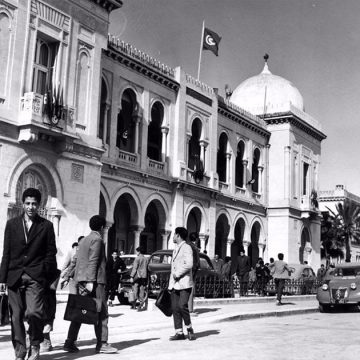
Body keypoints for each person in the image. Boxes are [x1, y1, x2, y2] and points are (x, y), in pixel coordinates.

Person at [0, 187, 57, 360]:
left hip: (35, 277)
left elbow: (50, 253)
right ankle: (20, 352)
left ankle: (35, 344)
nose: (30, 207)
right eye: (27, 203)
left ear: (39, 205)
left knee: (34, 313)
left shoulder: (46, 226)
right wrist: (2, 278)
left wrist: (44, 274)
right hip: (14, 276)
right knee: (15, 316)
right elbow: (6, 253)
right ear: (22, 204)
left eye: (34, 204)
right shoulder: (12, 224)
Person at [63, 215, 118, 354]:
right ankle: (102, 343)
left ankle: (70, 341)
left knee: (80, 311)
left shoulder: (83, 241)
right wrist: (90, 281)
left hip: (82, 280)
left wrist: (68, 275)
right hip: (95, 281)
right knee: (102, 312)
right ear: (101, 227)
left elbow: (76, 261)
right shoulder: (97, 239)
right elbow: (93, 261)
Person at [168, 227, 195, 341]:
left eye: (174, 234)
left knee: (182, 305)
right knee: (175, 307)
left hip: (184, 283)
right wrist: (170, 284)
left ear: (178, 236)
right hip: (175, 284)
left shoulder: (187, 248)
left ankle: (189, 328)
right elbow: (173, 268)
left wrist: (177, 274)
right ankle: (179, 332)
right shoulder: (176, 249)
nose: (173, 236)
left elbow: (189, 264)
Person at [129, 246, 148, 311]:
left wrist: (131, 276)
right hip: (144, 277)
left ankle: (134, 305)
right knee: (141, 289)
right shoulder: (146, 259)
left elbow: (134, 268)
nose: (136, 252)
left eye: (137, 251)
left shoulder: (137, 259)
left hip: (137, 276)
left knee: (135, 289)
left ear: (139, 252)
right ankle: (141, 303)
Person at [187, 232, 201, 313]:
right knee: (191, 288)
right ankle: (190, 308)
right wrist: (195, 267)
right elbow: (195, 259)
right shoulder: (192, 247)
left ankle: (189, 308)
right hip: (192, 270)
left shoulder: (190, 246)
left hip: (191, 269)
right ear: (196, 239)